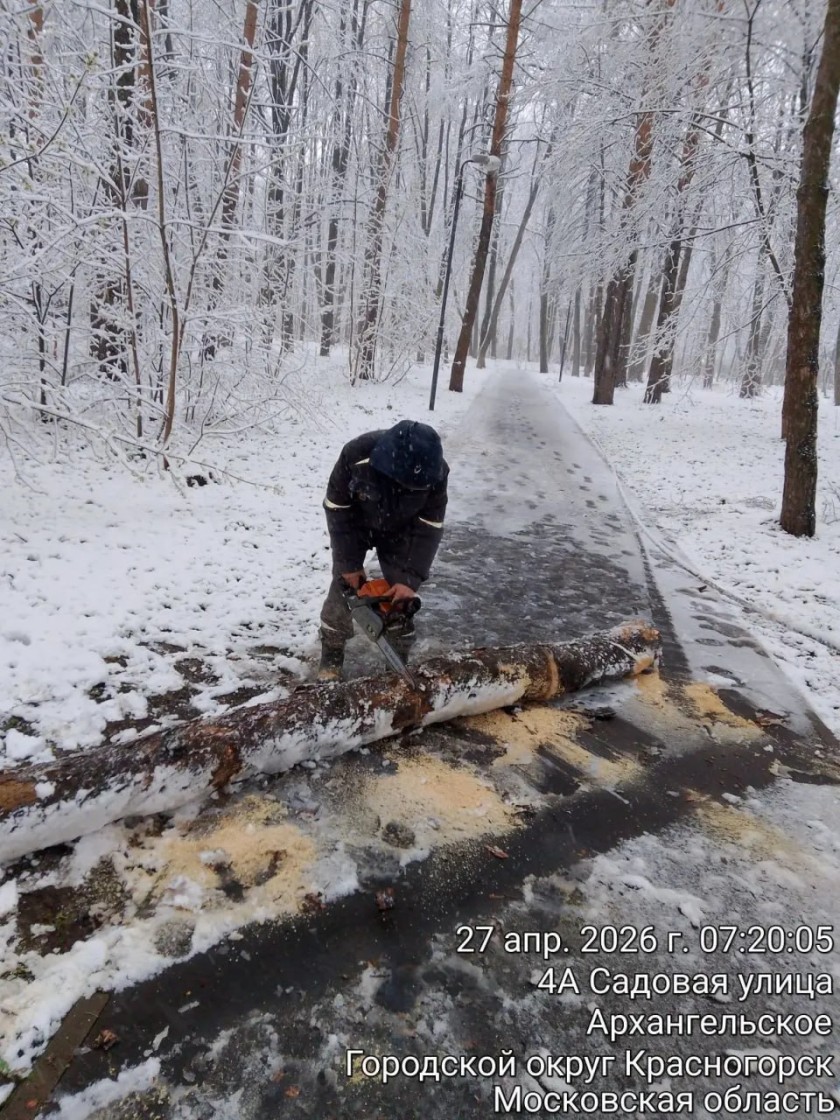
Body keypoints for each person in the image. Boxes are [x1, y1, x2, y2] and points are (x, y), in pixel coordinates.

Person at [318, 419, 449, 681]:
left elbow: (430, 525)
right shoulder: (356, 455)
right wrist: (349, 564)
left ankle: (397, 660)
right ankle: (331, 652)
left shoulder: (436, 473)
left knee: (401, 601)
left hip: (403, 531)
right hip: (355, 524)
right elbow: (337, 508)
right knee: (342, 589)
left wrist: (410, 578)